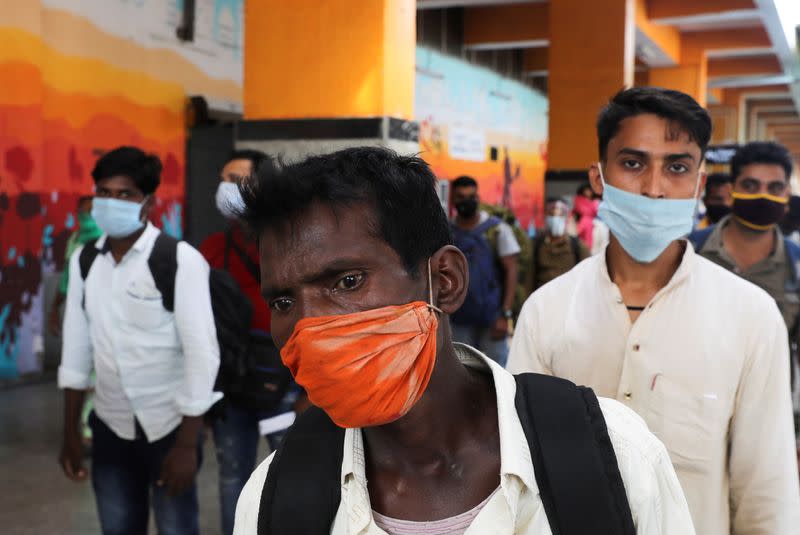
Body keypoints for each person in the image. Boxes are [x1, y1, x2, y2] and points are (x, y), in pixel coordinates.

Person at [231, 146, 694, 534]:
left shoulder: (611, 456)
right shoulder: (275, 499)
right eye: (284, 302)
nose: (310, 326)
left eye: (349, 281)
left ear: (444, 281)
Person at [508, 87, 800, 534]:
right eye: (632, 163)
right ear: (598, 176)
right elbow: (519, 472)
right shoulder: (547, 311)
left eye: (677, 167)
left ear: (700, 183)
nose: (654, 188)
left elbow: (766, 492)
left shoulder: (751, 316)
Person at [58, 146, 221, 535]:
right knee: (117, 527)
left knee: (176, 528)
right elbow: (76, 351)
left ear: (148, 202)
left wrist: (186, 445)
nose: (112, 202)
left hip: (168, 428)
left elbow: (202, 353)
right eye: (104, 192)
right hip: (110, 427)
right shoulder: (85, 261)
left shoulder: (179, 260)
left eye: (125, 194)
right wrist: (70, 435)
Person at [199, 149, 298, 535]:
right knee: (233, 476)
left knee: (289, 472)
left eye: (238, 179)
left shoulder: (293, 242)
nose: (228, 188)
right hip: (233, 380)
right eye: (224, 179)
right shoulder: (211, 247)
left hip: (285, 374)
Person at [449, 175, 520, 366]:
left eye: (471, 196)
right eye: (461, 197)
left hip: (492, 317)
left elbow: (511, 271)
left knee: (496, 373)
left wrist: (505, 315)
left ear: (478, 198)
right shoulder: (446, 231)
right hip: (458, 319)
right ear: (453, 199)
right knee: (460, 371)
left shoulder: (497, 230)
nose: (467, 201)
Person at [49, 195, 103, 336]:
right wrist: (55, 308)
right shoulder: (74, 239)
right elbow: (66, 279)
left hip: (102, 313)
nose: (86, 215)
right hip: (76, 311)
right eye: (82, 211)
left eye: (91, 211)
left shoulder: (106, 239)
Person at [531, 197, 590, 291]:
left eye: (561, 215)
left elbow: (587, 279)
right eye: (551, 214)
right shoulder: (536, 245)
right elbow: (529, 278)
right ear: (545, 216)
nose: (555, 218)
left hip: (569, 301)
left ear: (567, 217)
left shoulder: (578, 247)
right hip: (543, 301)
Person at [573, 183, 599, 250]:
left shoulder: (596, 201)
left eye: (590, 190)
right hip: (581, 221)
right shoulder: (578, 200)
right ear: (582, 191)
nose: (588, 192)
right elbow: (582, 210)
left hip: (594, 222)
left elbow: (597, 212)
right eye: (586, 190)